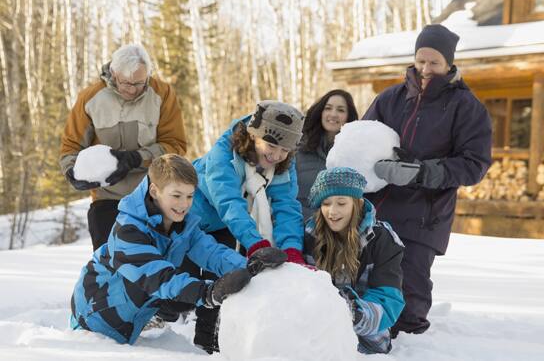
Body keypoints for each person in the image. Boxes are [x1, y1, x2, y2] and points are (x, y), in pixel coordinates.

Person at [70, 154, 287, 345]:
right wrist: (209, 293)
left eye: (190, 196)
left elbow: (212, 253)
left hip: (128, 321)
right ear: (154, 191)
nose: (184, 204)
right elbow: (159, 278)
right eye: (176, 195)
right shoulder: (128, 230)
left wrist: (250, 267)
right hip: (94, 322)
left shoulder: (181, 224)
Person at [362, 24, 492, 336]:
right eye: (421, 60)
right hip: (378, 208)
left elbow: (474, 164)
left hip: (425, 215)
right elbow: (363, 138)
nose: (425, 69)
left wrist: (421, 172)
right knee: (367, 278)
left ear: (449, 64)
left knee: (411, 287)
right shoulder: (390, 98)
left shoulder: (466, 107)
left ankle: (412, 344)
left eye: (434, 62)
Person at [186, 100, 307, 353]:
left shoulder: (283, 164)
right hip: (191, 217)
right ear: (253, 136)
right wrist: (256, 243)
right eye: (271, 145)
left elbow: (287, 206)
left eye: (285, 150)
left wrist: (292, 249)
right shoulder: (225, 153)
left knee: (224, 273)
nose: (276, 155)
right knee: (181, 283)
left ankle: (207, 343)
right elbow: (228, 201)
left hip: (227, 225)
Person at [60, 44, 187, 251]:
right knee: (110, 265)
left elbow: (175, 144)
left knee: (158, 266)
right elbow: (71, 145)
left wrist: (136, 158)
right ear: (113, 73)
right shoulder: (90, 99)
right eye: (125, 83)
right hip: (107, 199)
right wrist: (72, 172)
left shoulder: (162, 94)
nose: (132, 89)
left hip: (154, 196)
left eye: (139, 83)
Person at [303, 167, 405, 354]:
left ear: (357, 203)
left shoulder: (382, 239)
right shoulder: (310, 236)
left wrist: (357, 313)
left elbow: (389, 298)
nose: (332, 212)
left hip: (367, 334)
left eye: (341, 203)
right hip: (318, 326)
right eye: (326, 203)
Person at [296, 89, 359, 221]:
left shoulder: (355, 154)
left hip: (338, 232)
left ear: (349, 116)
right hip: (299, 226)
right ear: (321, 112)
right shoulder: (299, 146)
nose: (333, 114)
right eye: (328, 108)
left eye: (341, 110)